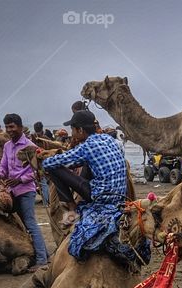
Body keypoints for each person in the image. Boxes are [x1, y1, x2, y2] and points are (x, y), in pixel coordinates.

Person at [42, 109, 129, 259]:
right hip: (119, 196)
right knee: (89, 163)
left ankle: (72, 207)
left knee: (52, 167)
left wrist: (44, 159)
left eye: (73, 129)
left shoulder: (87, 146)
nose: (72, 133)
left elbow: (54, 162)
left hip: (101, 198)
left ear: (80, 130)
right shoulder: (108, 139)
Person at [0, 113, 48, 271]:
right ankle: (43, 253)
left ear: (19, 127)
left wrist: (21, 179)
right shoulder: (7, 146)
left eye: (12, 126)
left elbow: (38, 171)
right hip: (11, 191)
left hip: (26, 190)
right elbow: (3, 166)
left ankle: (42, 260)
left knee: (31, 224)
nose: (9, 130)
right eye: (7, 127)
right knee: (23, 224)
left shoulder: (30, 146)